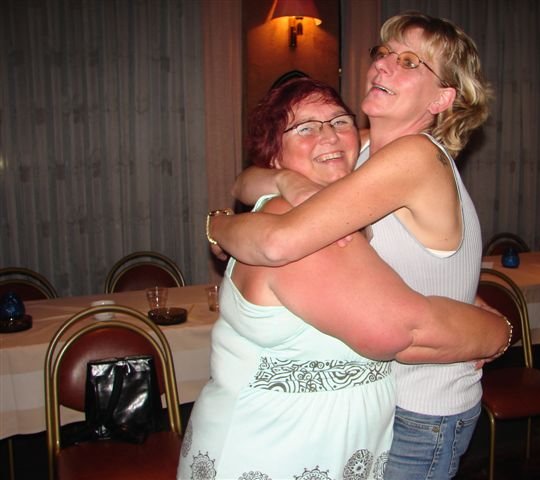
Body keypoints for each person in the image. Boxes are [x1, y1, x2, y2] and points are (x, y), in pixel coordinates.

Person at [207, 12, 494, 479]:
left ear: (442, 97)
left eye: (409, 62)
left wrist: (218, 226)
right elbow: (248, 178)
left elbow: (280, 241)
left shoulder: (415, 155)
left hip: (421, 409)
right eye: (383, 53)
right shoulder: (362, 149)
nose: (382, 64)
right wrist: (282, 180)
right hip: (380, 398)